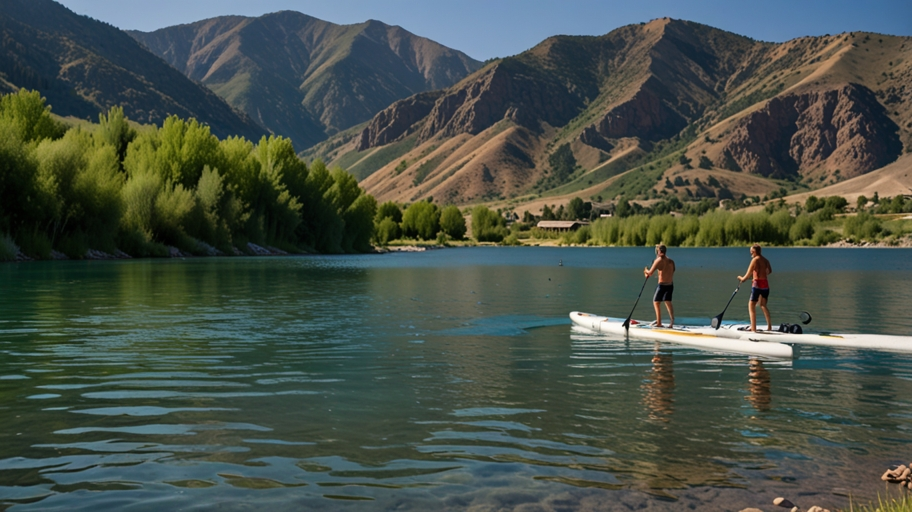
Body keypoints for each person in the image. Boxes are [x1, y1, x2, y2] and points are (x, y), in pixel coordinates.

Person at [737, 244, 772, 332]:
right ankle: (769, 327)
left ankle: (753, 328)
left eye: (752, 252)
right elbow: (769, 271)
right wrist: (762, 275)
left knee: (751, 306)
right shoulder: (766, 260)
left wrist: (740, 278)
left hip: (757, 285)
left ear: (755, 251)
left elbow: (746, 276)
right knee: (763, 305)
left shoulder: (754, 260)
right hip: (765, 285)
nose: (751, 254)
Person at [644, 244, 675, 328]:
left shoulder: (658, 260)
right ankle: (672, 322)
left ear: (659, 252)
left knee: (656, 302)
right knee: (668, 302)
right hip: (670, 285)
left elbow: (650, 273)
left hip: (662, 286)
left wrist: (645, 270)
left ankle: (659, 323)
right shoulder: (671, 261)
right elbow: (672, 271)